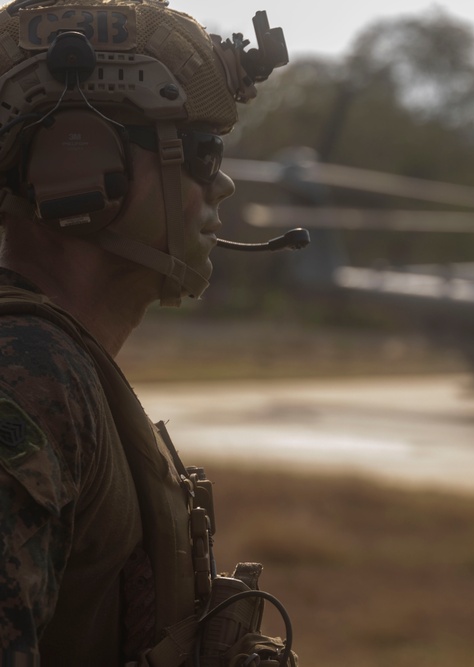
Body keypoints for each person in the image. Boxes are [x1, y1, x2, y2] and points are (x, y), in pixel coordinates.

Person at [0, 1, 297, 664]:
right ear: (76, 163)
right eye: (200, 151)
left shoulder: (62, 367)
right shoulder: (29, 374)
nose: (218, 184)